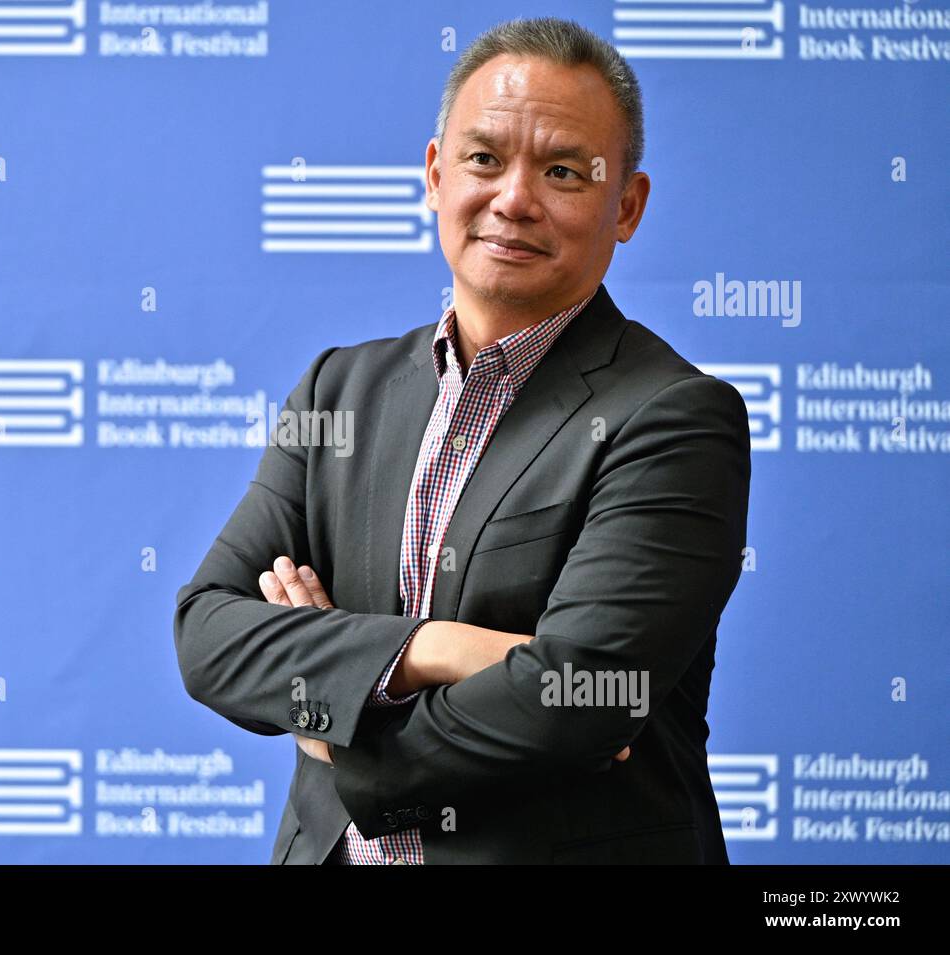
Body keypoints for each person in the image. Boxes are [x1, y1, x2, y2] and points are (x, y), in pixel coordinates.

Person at [173, 16, 751, 864]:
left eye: (562, 171)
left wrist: (336, 732)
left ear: (626, 206)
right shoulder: (339, 389)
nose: (513, 198)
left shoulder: (672, 418)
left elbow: (578, 700)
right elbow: (208, 632)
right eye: (484, 159)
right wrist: (433, 647)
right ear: (436, 174)